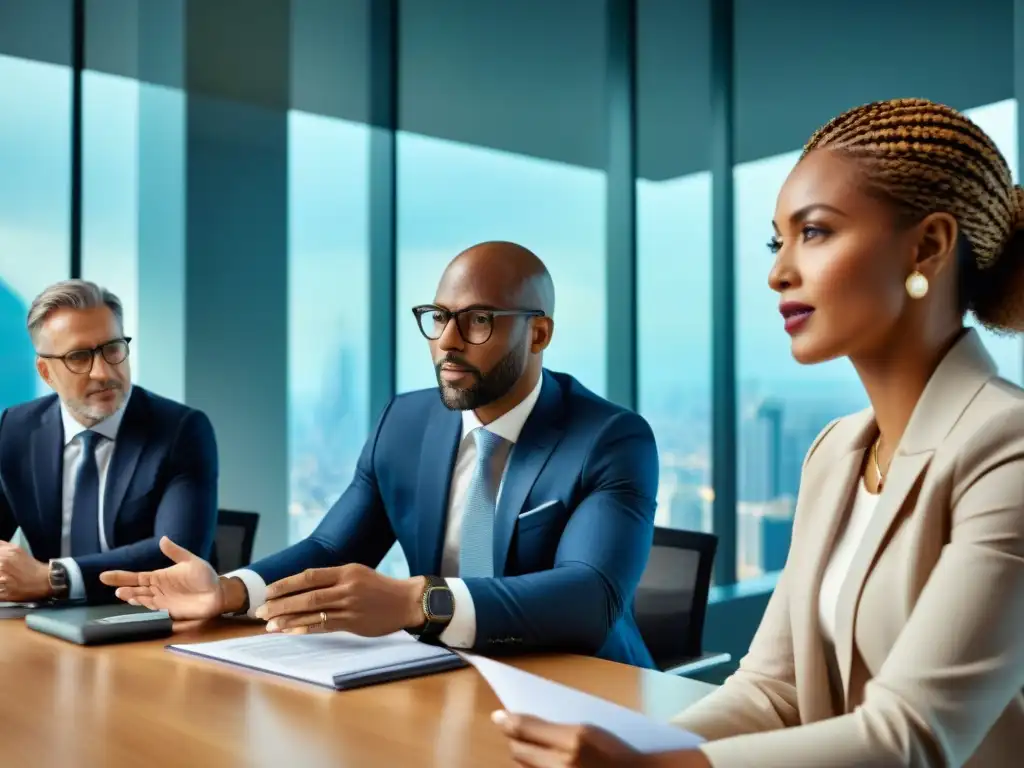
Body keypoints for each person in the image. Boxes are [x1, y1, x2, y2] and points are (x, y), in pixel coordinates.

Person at [492, 98, 1024, 767]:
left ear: (928, 246)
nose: (778, 273)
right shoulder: (836, 452)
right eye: (779, 241)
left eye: (817, 233)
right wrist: (630, 743)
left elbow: (912, 736)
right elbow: (773, 691)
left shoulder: (1008, 450)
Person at [103, 242, 659, 667]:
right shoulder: (406, 422)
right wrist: (229, 590)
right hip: (445, 673)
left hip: (583, 689)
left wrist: (421, 602)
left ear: (538, 335)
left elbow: (591, 596)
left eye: (479, 320)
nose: (447, 340)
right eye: (439, 317)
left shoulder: (609, 438)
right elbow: (331, 545)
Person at [0, 280, 218, 604]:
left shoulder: (180, 431)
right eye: (78, 357)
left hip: (152, 621)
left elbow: (176, 555)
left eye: (113, 349)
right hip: (48, 625)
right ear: (46, 373)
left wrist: (54, 578)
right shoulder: (16, 428)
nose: (103, 372)